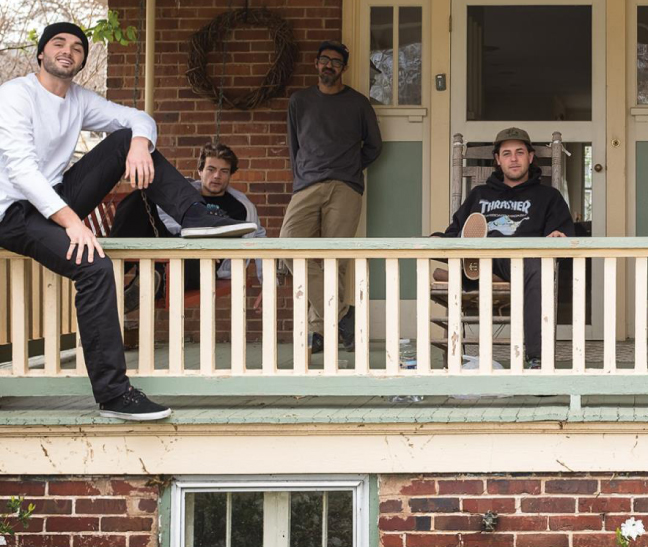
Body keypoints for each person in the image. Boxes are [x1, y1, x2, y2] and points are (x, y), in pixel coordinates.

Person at [0, 23, 257, 421]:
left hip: (55, 198)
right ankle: (114, 395)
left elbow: (138, 117)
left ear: (82, 61)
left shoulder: (79, 99)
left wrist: (138, 143)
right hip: (13, 212)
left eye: (77, 47)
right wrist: (73, 223)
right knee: (95, 268)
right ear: (41, 53)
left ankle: (194, 215)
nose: (68, 51)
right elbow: (22, 173)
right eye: (58, 43)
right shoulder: (16, 95)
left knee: (125, 139)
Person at [437, 127, 573, 369]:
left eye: (520, 152)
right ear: (498, 160)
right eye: (507, 153)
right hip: (484, 252)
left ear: (530, 157)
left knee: (535, 265)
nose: (514, 159)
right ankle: (473, 260)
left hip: (523, 260)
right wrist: (445, 240)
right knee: (439, 240)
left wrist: (557, 237)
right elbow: (453, 232)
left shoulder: (548, 196)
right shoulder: (479, 194)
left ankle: (536, 358)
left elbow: (563, 239)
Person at [280, 41, 382, 355]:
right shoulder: (300, 101)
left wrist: (349, 168)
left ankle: (320, 333)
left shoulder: (358, 103)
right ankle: (343, 315)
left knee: (334, 260)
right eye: (324, 60)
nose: (329, 65)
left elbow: (374, 146)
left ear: (344, 68)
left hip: (345, 187)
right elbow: (294, 146)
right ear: (316, 64)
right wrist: (303, 175)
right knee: (287, 247)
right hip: (307, 185)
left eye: (336, 62)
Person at [111, 141, 267, 306]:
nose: (217, 176)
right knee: (139, 197)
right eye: (211, 169)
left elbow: (259, 237)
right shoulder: (182, 193)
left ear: (230, 175)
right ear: (200, 171)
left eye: (224, 171)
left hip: (203, 261)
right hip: (168, 243)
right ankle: (112, 270)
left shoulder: (241, 208)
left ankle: (146, 286)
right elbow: (161, 221)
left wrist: (267, 283)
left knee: (185, 265)